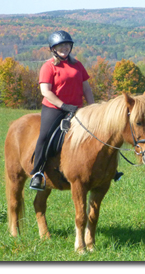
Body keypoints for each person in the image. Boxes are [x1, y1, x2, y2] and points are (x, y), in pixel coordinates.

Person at [29, 30, 95, 190]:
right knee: (44, 137)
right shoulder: (48, 67)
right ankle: (37, 173)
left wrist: (93, 108)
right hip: (54, 108)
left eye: (67, 45)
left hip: (77, 109)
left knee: (96, 135)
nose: (64, 48)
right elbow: (46, 92)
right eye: (60, 45)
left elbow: (86, 89)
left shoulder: (77, 65)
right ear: (53, 49)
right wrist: (63, 106)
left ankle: (105, 170)